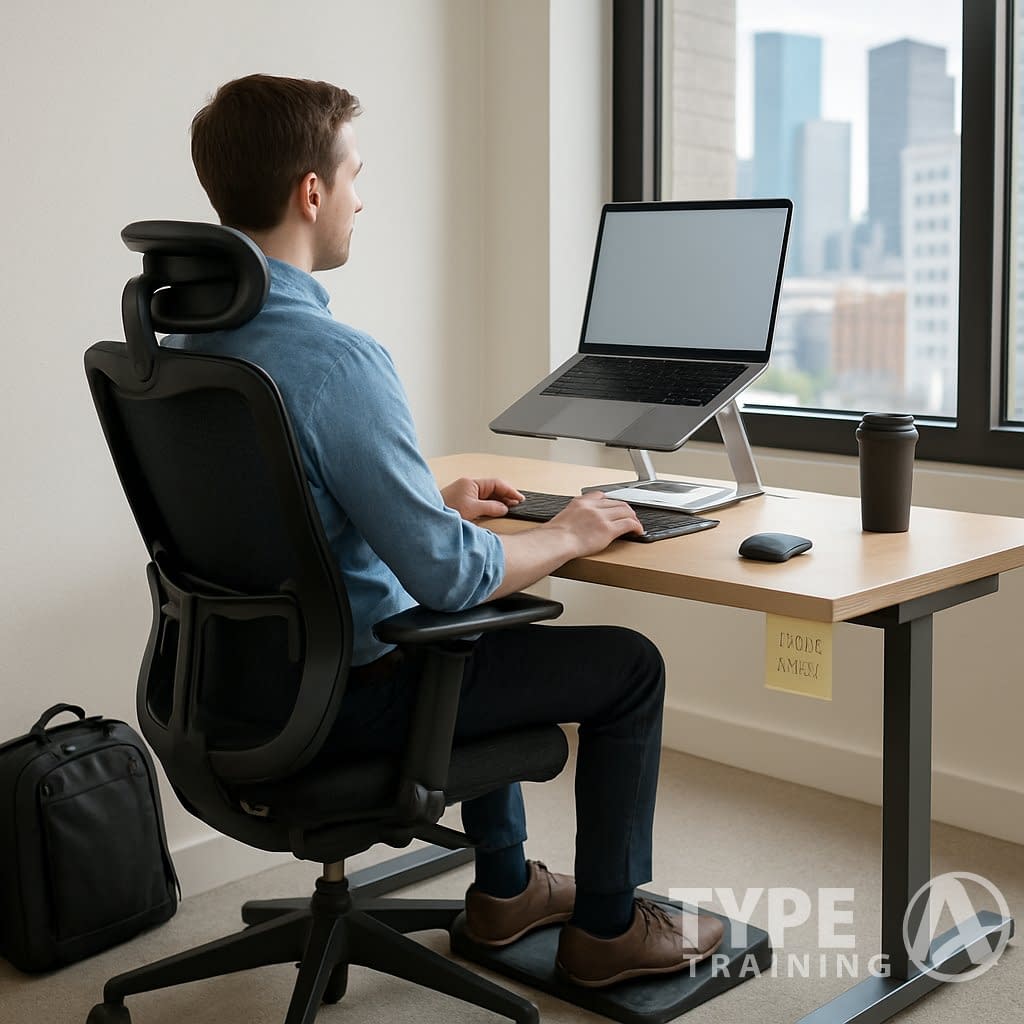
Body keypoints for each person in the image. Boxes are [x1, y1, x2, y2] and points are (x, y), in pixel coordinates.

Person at [174, 73, 723, 987]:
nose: (362, 196)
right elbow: (446, 580)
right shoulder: (334, 360)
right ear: (312, 192)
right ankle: (609, 929)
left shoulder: (189, 345)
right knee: (627, 664)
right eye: (355, 173)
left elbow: (278, 520)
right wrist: (569, 533)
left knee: (468, 634)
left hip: (229, 692)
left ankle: (507, 893)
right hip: (343, 703)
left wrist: (431, 512)